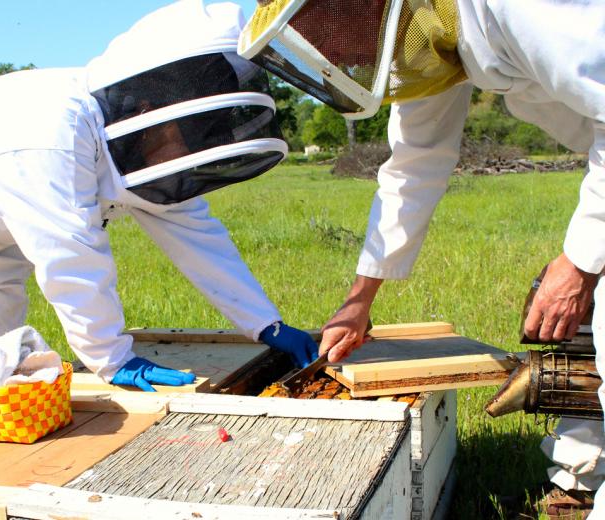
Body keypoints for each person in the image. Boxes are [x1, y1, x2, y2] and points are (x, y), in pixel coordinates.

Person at [238, 0, 605, 517]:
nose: (337, 52)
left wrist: (581, 260)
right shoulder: (434, 38)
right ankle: (580, 484)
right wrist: (358, 300)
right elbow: (414, 166)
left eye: (329, 31)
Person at [0, 0, 318, 394]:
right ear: (154, 108)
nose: (192, 148)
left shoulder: (129, 142)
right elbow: (69, 254)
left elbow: (198, 236)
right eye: (192, 131)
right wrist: (111, 357)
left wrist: (264, 322)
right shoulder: (50, 135)